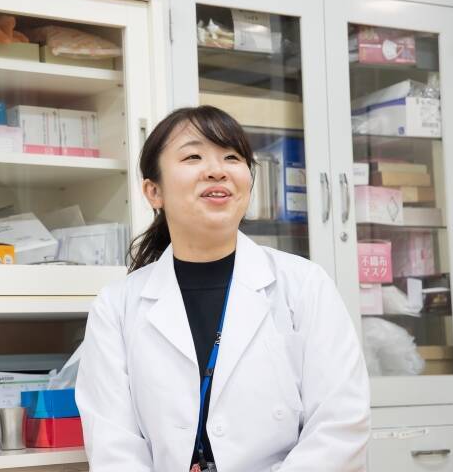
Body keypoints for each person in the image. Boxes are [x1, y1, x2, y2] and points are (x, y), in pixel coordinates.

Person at [76, 106, 370, 471]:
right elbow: (113, 446)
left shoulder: (304, 285)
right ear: (154, 191)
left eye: (232, 157)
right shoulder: (117, 306)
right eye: (193, 157)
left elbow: (340, 424)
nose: (217, 170)